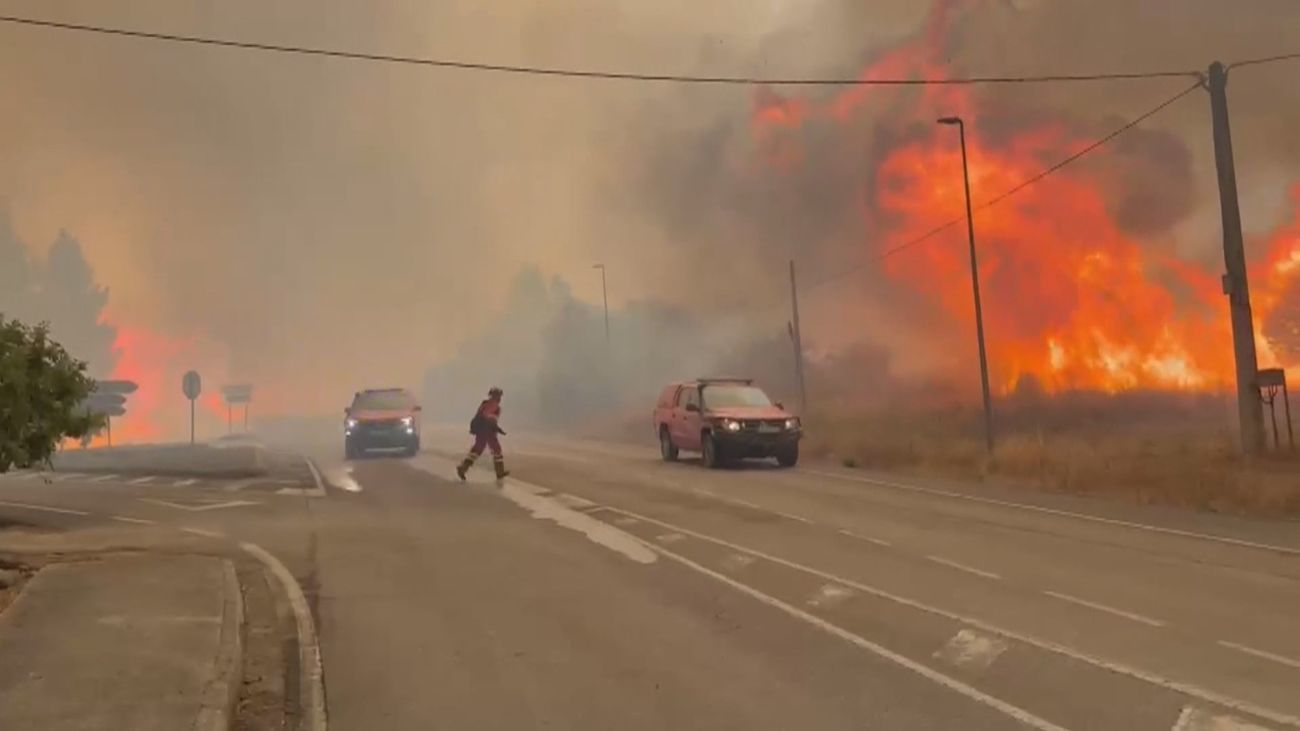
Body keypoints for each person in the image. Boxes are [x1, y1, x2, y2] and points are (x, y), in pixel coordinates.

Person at [457, 387, 509, 481]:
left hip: (482, 429)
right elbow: (488, 417)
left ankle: (463, 468)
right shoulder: (493, 405)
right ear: (495, 396)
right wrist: (496, 428)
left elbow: (484, 416)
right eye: (498, 396)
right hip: (487, 429)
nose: (500, 398)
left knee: (478, 449)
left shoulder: (486, 403)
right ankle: (499, 472)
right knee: (496, 449)